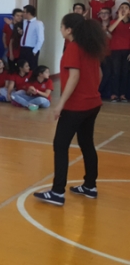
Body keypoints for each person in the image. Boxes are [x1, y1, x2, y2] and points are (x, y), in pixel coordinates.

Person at [34, 13, 108, 206]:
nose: (60, 29)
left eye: (62, 26)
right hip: (93, 104)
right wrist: (91, 91)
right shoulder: (90, 46)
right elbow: (99, 74)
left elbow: (74, 76)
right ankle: (90, 186)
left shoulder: (74, 47)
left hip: (76, 106)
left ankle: (57, 192)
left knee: (60, 145)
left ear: (68, 30)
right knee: (87, 144)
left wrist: (60, 104)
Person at [107, 2, 130, 102]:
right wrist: (120, 18)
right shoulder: (114, 21)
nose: (124, 9)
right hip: (115, 50)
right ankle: (114, 94)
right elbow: (109, 30)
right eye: (122, 7)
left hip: (127, 51)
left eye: (126, 7)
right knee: (115, 72)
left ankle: (122, 94)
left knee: (125, 73)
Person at [20, 5, 44, 70]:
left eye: (24, 12)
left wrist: (35, 51)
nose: (22, 14)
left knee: (32, 67)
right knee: (22, 67)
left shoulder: (38, 23)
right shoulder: (25, 22)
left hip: (31, 49)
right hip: (23, 48)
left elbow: (41, 39)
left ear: (29, 13)